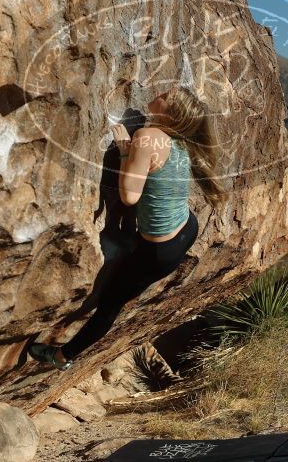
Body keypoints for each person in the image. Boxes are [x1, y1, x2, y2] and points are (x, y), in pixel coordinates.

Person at [28, 86, 228, 370]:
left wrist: (125, 152)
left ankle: (62, 357)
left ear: (169, 112)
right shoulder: (181, 139)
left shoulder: (146, 138)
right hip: (185, 229)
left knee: (109, 304)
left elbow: (129, 196)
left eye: (165, 96)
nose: (158, 93)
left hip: (159, 249)